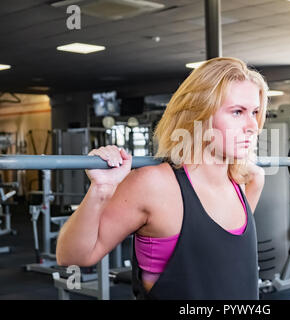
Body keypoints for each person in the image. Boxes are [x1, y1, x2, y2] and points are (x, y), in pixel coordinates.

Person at [56, 57, 268, 300]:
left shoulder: (245, 182)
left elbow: (224, 260)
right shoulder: (153, 184)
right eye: (237, 112)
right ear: (198, 115)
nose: (253, 125)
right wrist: (101, 190)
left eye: (255, 112)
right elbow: (71, 256)